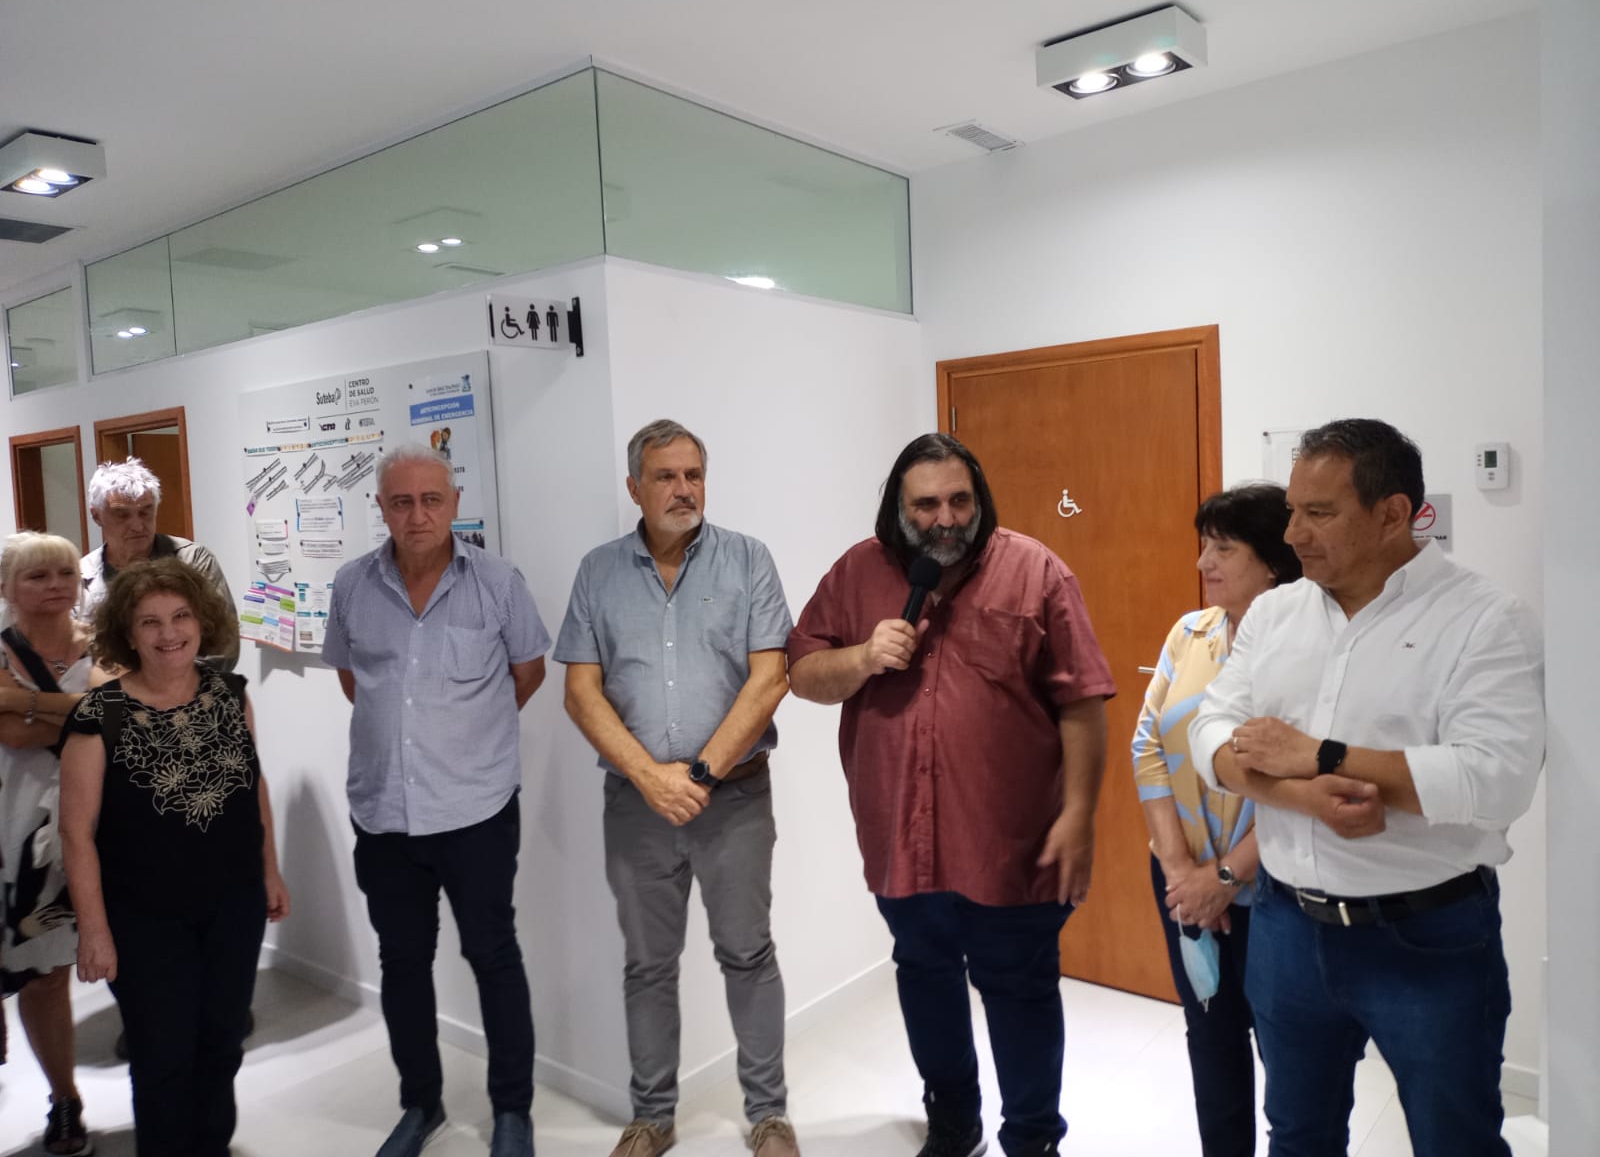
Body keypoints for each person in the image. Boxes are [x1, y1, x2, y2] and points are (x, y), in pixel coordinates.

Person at [1190, 419, 1544, 1157]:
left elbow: (1496, 779)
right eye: (1293, 510)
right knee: (1298, 1136)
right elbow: (1210, 733)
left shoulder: (1485, 619)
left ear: (1393, 514)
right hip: (1287, 926)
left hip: (1427, 938)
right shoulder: (1277, 613)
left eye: (1319, 513)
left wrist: (1318, 754)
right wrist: (1302, 794)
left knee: (1456, 1141)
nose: (1293, 533)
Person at [787, 433, 1116, 1157]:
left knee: (1020, 991)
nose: (946, 518)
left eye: (960, 500)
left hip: (1011, 844)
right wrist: (862, 656)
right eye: (927, 504)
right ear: (898, 507)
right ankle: (954, 1120)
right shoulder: (857, 572)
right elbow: (803, 673)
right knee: (924, 977)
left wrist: (1079, 815)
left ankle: (1032, 1138)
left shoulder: (1036, 571)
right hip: (901, 840)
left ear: (979, 499)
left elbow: (1083, 702)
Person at [556, 420, 800, 1157]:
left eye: (694, 474)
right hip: (636, 807)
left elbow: (771, 678)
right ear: (634, 487)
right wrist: (649, 777)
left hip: (734, 801)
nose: (683, 489)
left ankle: (769, 1116)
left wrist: (696, 776)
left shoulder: (748, 560)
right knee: (648, 965)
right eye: (665, 476)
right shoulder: (598, 572)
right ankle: (652, 1119)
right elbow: (580, 692)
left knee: (748, 954)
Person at [322, 443, 550, 1157]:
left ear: (453, 504)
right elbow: (356, 681)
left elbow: (528, 671)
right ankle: (421, 1106)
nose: (416, 515)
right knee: (402, 963)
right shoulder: (352, 585)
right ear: (381, 508)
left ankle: (512, 1111)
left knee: (494, 955)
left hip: (476, 811)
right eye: (401, 502)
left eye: (430, 500)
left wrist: (466, 741)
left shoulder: (498, 582)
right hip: (384, 815)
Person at [58, 557, 289, 1157]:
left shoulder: (230, 695)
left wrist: (270, 870)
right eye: (151, 622)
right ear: (129, 635)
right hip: (143, 919)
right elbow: (76, 833)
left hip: (233, 905)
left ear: (201, 622)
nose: (169, 633)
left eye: (181, 616)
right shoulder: (99, 716)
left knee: (222, 1044)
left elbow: (253, 785)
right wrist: (94, 932)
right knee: (163, 1056)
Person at [1130, 486, 1302, 1157]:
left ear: (1273, 563)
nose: (1204, 562)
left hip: (1275, 886)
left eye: (1224, 549)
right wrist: (1181, 872)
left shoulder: (1306, 650)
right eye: (1204, 546)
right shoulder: (1190, 632)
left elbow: (1300, 782)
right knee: (1211, 1036)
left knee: (1289, 1053)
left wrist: (1224, 877)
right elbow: (1147, 745)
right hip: (1182, 879)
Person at [0, 532, 111, 1156]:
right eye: (37, 576)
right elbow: (12, 737)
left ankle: (168, 1081)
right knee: (44, 975)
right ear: (7, 588)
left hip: (108, 826)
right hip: (20, 834)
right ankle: (64, 1099)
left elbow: (118, 716)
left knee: (136, 955)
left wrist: (21, 700)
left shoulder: (109, 642)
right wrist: (76, 709)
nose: (55, 586)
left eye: (65, 573)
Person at [80, 457, 239, 670]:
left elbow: (223, 648)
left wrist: (155, 683)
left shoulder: (192, 561)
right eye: (122, 515)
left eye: (146, 511)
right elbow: (75, 660)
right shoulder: (79, 577)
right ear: (96, 515)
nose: (137, 525)